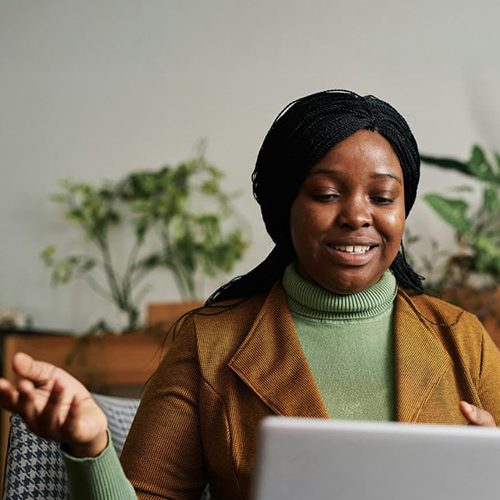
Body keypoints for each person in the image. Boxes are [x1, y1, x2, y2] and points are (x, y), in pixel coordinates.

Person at [1, 89, 500, 500]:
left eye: (382, 197)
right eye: (326, 194)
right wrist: (91, 448)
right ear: (285, 208)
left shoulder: (461, 339)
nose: (357, 215)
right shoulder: (208, 343)